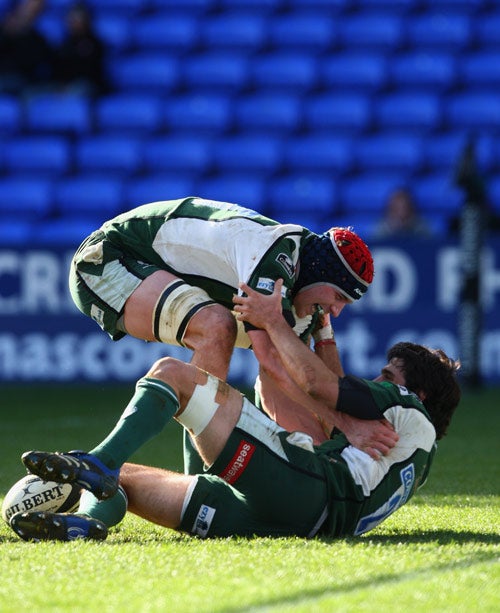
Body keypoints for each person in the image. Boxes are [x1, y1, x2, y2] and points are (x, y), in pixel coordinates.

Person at [10, 279, 461, 542]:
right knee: (122, 480)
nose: (379, 383)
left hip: (306, 491)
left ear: (415, 392)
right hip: (288, 521)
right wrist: (322, 329)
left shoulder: (403, 407)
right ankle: (85, 525)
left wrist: (270, 318)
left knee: (173, 373)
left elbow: (320, 386)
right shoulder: (411, 453)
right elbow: (332, 401)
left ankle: (96, 461)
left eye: (388, 375)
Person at [68, 196, 375, 451]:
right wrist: (348, 426)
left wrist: (332, 450)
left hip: (153, 266)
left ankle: (187, 478)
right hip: (107, 256)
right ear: (320, 273)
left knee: (223, 332)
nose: (335, 311)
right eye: (338, 297)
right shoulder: (276, 258)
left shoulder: (302, 304)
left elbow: (295, 389)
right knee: (217, 326)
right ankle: (108, 462)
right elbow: (270, 360)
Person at [0, 0, 54, 96]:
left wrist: (20, 35)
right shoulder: (4, 32)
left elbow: (32, 63)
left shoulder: (36, 37)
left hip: (23, 79)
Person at [53, 2, 107, 96]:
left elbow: (93, 73)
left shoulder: (95, 44)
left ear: (86, 21)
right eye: (71, 19)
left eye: (78, 19)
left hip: (88, 86)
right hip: (63, 85)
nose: (74, 23)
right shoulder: (65, 44)